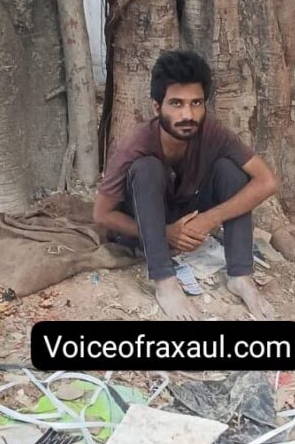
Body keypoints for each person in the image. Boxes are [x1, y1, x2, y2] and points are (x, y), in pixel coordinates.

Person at [93, 50, 279, 320]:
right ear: (157, 107)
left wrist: (208, 219)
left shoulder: (210, 130)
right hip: (146, 221)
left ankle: (240, 276)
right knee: (146, 169)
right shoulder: (135, 144)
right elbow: (101, 214)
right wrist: (165, 232)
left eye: (196, 103)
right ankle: (164, 282)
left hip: (188, 215)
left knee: (231, 172)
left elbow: (267, 181)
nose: (188, 114)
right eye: (176, 104)